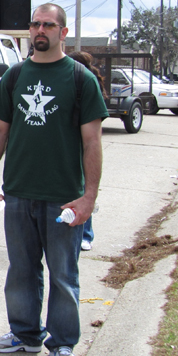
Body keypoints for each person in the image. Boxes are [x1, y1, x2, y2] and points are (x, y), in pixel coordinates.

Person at [0, 3, 107, 356]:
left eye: (48, 25)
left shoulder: (80, 79)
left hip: (64, 196)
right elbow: (0, 129)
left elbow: (92, 142)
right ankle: (24, 334)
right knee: (21, 269)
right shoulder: (16, 75)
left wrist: (89, 197)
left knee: (64, 275)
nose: (40, 30)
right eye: (35, 24)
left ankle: (63, 343)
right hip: (18, 191)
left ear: (63, 32)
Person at [67, 50, 108, 252]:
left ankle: (86, 234)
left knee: (83, 189)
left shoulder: (88, 83)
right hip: (68, 146)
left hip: (84, 146)